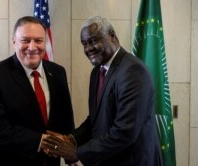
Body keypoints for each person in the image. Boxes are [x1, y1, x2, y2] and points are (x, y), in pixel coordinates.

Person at [42, 16, 163, 166]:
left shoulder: (133, 71)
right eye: (84, 44)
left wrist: (77, 153)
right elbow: (96, 119)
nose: (88, 49)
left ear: (112, 36)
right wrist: (71, 139)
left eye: (93, 41)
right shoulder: (97, 72)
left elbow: (125, 132)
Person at [0, 16, 75, 166]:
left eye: (38, 40)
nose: (32, 47)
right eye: (25, 40)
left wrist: (70, 156)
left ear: (45, 42)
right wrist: (41, 142)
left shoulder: (58, 72)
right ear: (14, 41)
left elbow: (65, 119)